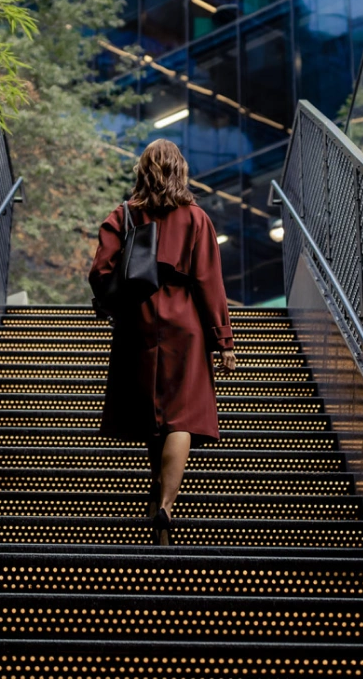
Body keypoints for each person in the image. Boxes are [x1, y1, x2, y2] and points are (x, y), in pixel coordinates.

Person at [88, 138, 236, 545]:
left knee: (153, 418)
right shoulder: (197, 218)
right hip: (185, 321)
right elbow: (209, 283)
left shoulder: (122, 216)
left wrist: (115, 301)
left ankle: (155, 506)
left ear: (142, 171)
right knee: (180, 415)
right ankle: (167, 504)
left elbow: (100, 272)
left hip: (137, 318)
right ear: (180, 171)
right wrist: (223, 340)